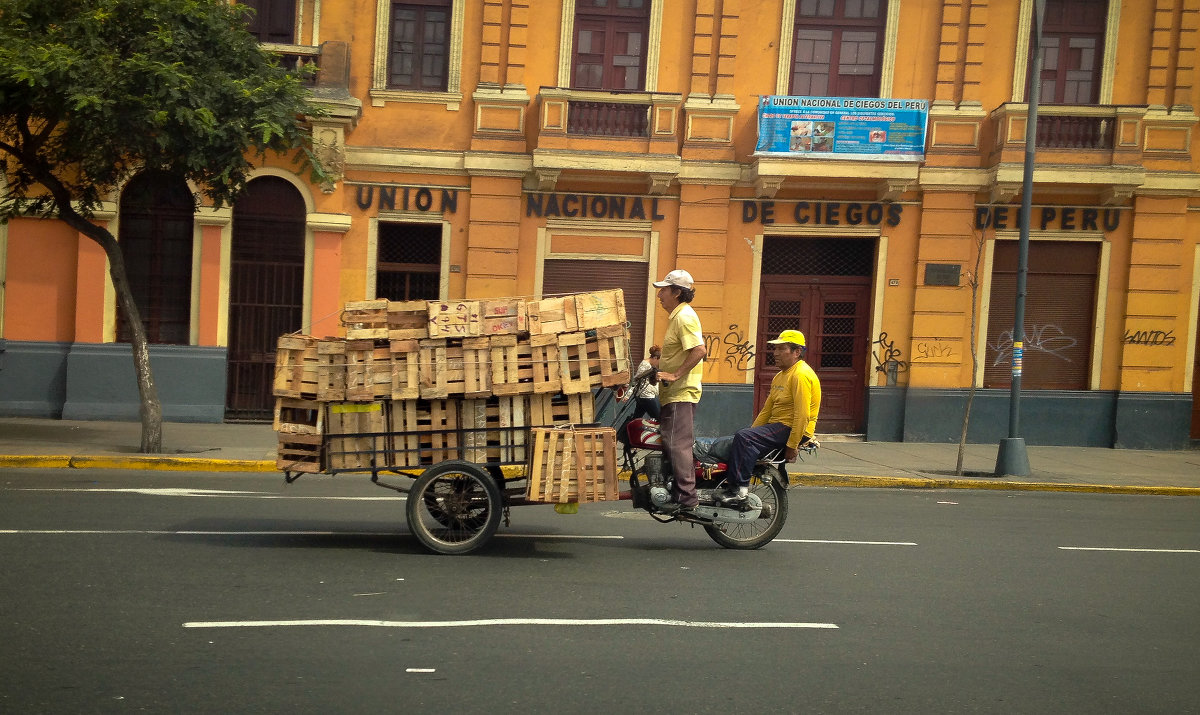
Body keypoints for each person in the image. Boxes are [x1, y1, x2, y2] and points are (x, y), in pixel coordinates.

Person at [718, 329, 821, 508]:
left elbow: (802, 415)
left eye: (782, 349)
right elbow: (766, 411)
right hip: (780, 426)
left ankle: (738, 491)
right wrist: (751, 432)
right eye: (776, 349)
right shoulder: (781, 375)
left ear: (797, 352)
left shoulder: (800, 375)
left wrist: (792, 446)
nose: (775, 353)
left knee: (744, 437)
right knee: (743, 437)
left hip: (792, 428)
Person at [652, 269, 707, 511]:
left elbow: (699, 350)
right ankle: (675, 487)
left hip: (681, 392)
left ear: (677, 292)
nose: (660, 295)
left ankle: (687, 498)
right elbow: (679, 352)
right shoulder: (677, 317)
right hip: (673, 393)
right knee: (669, 441)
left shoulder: (684, 316)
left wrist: (674, 374)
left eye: (664, 290)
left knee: (677, 443)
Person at [631, 345, 661, 420]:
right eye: (658, 361)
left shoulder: (648, 365)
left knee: (636, 418)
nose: (658, 364)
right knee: (659, 418)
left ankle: (627, 431)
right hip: (647, 396)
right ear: (655, 358)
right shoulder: (645, 365)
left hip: (643, 396)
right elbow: (637, 378)